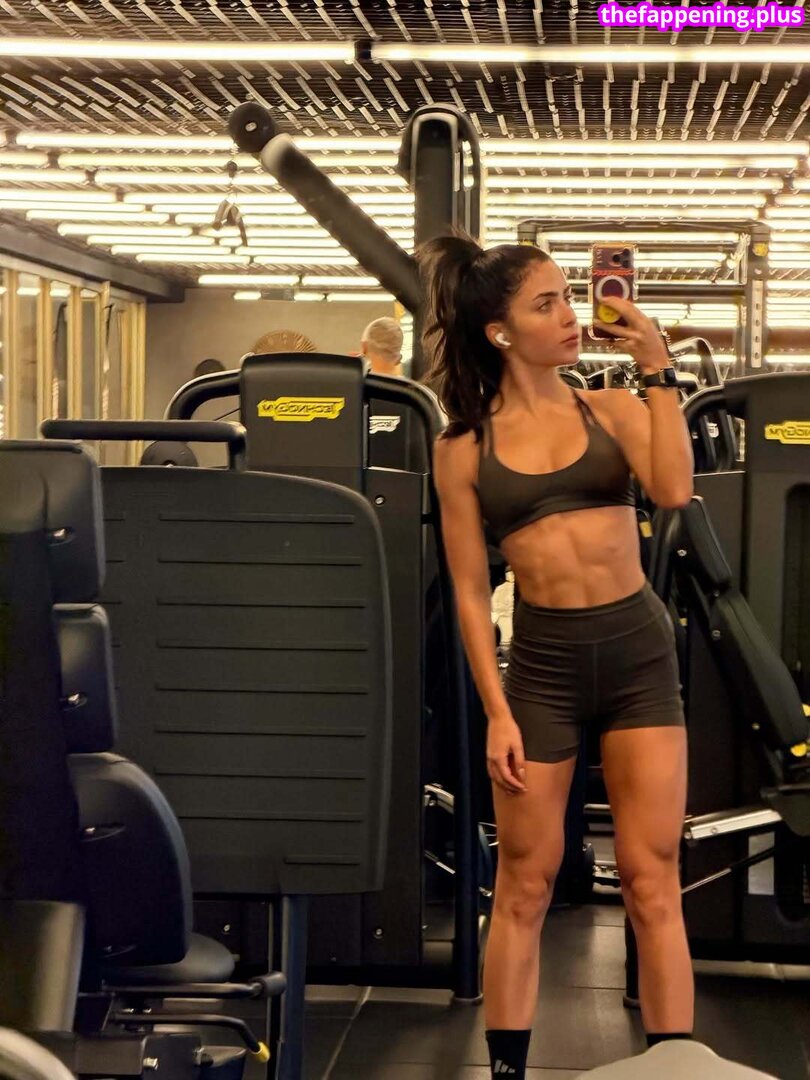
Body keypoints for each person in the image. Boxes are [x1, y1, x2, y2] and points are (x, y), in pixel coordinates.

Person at [418, 233, 694, 1080]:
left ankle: (673, 1067)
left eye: (568, 297)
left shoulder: (611, 410)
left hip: (639, 656)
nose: (571, 315)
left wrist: (657, 369)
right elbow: (470, 592)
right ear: (500, 332)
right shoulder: (463, 449)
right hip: (543, 671)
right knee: (525, 885)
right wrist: (496, 710)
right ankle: (506, 1071)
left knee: (651, 878)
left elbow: (675, 490)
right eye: (548, 304)